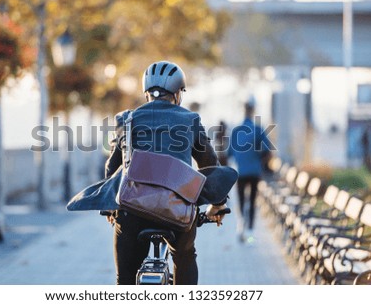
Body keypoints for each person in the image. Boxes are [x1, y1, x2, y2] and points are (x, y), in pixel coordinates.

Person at [104, 61, 227, 285]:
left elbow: (112, 168)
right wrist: (217, 205)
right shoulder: (190, 120)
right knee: (185, 256)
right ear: (178, 94)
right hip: (177, 210)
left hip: (133, 211)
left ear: (146, 93)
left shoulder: (126, 120)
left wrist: (109, 205)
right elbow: (209, 166)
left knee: (125, 279)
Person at [227, 97, 272, 243]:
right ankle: (251, 231)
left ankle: (240, 226)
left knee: (240, 201)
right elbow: (267, 150)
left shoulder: (236, 131)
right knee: (252, 201)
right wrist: (259, 159)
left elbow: (229, 153)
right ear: (252, 111)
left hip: (240, 172)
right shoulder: (258, 130)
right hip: (254, 172)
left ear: (243, 111)